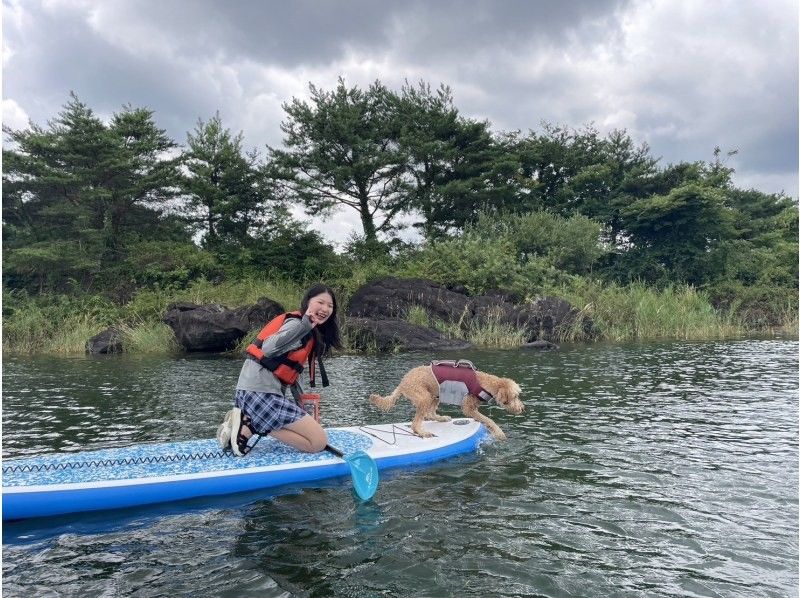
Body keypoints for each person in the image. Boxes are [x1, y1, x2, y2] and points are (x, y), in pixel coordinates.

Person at [217, 284, 342, 456]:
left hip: (253, 393)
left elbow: (293, 375)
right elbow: (268, 348)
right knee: (318, 442)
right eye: (320, 302)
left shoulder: (307, 330)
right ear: (307, 303)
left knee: (315, 438)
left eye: (330, 306)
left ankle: (247, 425)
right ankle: (251, 423)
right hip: (260, 395)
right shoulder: (297, 324)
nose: (325, 308)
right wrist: (304, 325)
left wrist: (302, 410)